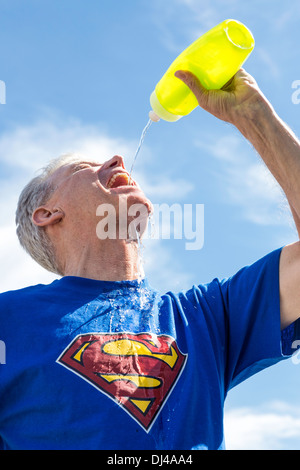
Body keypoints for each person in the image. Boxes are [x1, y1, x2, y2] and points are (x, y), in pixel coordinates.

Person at [1, 68, 300, 451]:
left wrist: (255, 117)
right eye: (82, 168)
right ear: (47, 214)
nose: (115, 160)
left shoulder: (207, 317)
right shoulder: (9, 319)